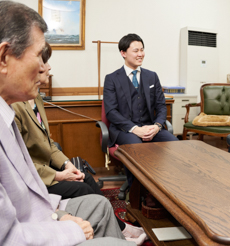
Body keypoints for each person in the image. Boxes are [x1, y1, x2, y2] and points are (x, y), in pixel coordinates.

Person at [0, 2, 142, 245]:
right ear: (4, 57)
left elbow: (30, 195)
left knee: (97, 202)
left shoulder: (9, 113)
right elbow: (9, 236)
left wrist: (59, 213)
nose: (45, 68)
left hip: (40, 214)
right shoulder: (14, 109)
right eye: (38, 56)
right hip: (30, 230)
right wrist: (73, 228)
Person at [12, 42, 102, 199]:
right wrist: (59, 176)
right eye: (45, 62)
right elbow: (20, 164)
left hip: (47, 168)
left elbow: (49, 143)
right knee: (83, 189)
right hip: (34, 178)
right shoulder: (15, 106)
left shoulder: (37, 98)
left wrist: (68, 166)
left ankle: (116, 224)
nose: (49, 67)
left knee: (85, 177)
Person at [103, 33, 178, 186]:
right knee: (136, 149)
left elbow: (161, 106)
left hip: (151, 127)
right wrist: (134, 129)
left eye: (142, 50)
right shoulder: (112, 79)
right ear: (123, 53)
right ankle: (137, 191)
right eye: (136, 51)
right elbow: (111, 112)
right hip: (125, 131)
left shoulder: (152, 76)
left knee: (176, 145)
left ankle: (168, 185)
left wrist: (157, 126)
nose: (141, 54)